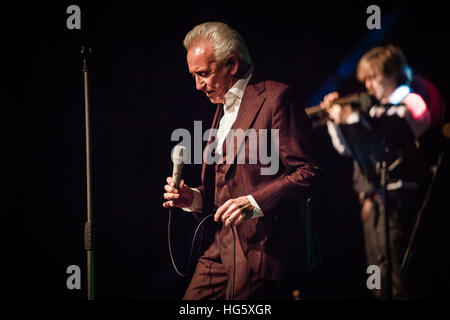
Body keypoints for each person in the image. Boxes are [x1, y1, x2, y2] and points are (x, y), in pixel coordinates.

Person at [162, 22, 324, 300]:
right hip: (220, 244)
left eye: (203, 74)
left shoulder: (275, 97)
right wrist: (194, 199)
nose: (198, 85)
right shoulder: (222, 108)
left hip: (263, 248)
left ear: (232, 64)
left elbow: (309, 173)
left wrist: (255, 203)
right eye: (194, 76)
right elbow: (226, 186)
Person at [320, 44, 434, 299]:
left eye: (373, 77)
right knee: (377, 272)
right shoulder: (373, 109)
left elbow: (395, 135)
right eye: (366, 79)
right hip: (371, 198)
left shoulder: (411, 100)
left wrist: (351, 118)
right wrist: (334, 121)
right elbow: (348, 150)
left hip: (398, 198)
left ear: (392, 72)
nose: (368, 85)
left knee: (398, 270)